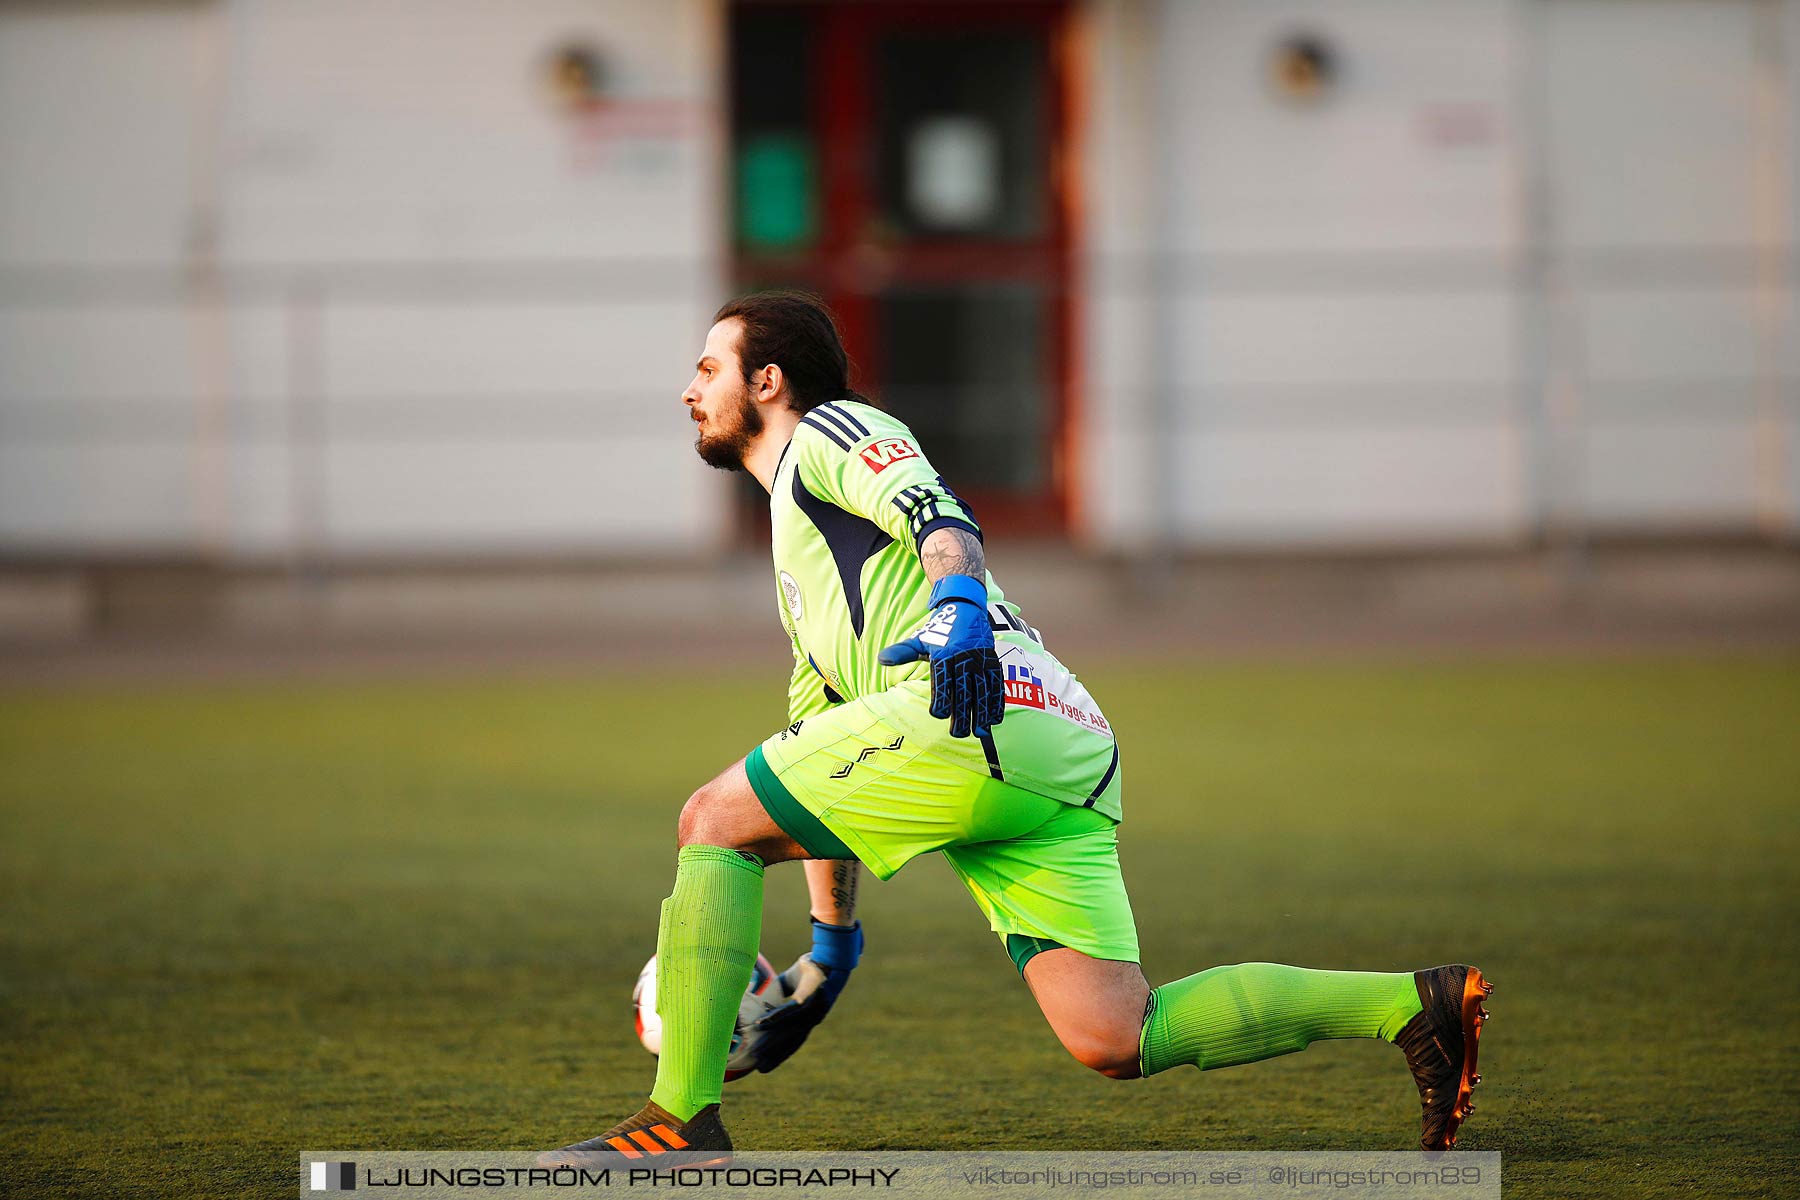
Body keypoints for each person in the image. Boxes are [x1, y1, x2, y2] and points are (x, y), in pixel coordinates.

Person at [545, 292, 1491, 1162]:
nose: (687, 390)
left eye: (707, 369)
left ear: (768, 382)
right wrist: (828, 954)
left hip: (970, 712)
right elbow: (814, 749)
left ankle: (679, 1121)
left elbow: (934, 512)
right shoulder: (804, 557)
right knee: (1117, 1035)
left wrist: (954, 595)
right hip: (1058, 743)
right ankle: (1412, 1005)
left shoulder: (834, 430)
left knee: (709, 822)